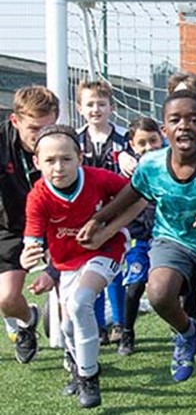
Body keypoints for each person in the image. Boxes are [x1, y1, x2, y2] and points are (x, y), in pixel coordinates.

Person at [78, 90, 196, 409]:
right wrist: (98, 220)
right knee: (159, 292)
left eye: (194, 119)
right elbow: (131, 196)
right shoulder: (151, 165)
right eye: (175, 120)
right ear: (165, 130)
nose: (184, 126)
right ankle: (185, 332)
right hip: (172, 239)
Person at [21, 124, 142, 408]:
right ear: (37, 162)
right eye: (49, 160)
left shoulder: (100, 179)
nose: (58, 167)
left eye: (66, 159)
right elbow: (33, 239)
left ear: (80, 157)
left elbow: (139, 198)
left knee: (80, 302)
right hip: (67, 263)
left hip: (107, 250)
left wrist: (107, 230)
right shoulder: (38, 196)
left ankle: (89, 376)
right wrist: (30, 254)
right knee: (66, 326)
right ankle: (78, 367)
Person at [0, 86, 59, 364]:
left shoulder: (62, 143)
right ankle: (27, 322)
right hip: (12, 227)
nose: (42, 136)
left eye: (49, 127)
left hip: (57, 223)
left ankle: (81, 365)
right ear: (15, 121)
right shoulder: (1, 143)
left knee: (75, 298)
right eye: (34, 128)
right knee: (7, 299)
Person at [74, 80, 129, 345]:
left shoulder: (124, 139)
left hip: (117, 213)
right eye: (90, 104)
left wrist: (133, 159)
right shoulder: (74, 139)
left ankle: (120, 323)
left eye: (101, 104)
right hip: (84, 217)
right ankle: (97, 326)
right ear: (80, 108)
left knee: (115, 266)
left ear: (112, 108)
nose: (96, 109)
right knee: (88, 268)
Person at [118, 117, 163, 356]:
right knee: (135, 286)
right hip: (138, 238)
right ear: (132, 145)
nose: (148, 147)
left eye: (153, 141)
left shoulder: (171, 164)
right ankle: (127, 333)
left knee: (177, 287)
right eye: (142, 143)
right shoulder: (128, 170)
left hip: (166, 238)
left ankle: (186, 332)